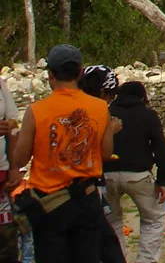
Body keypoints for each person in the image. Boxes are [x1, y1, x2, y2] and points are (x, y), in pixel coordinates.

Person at [5, 44, 117, 263]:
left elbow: (20, 159)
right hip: (87, 200)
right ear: (80, 72)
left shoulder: (37, 110)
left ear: (50, 75)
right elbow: (106, 154)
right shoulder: (99, 107)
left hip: (50, 204)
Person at [105, 81, 165, 263]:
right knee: (154, 218)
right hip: (138, 175)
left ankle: (116, 259)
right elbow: (161, 149)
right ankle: (146, 260)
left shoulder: (106, 112)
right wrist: (163, 181)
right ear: (143, 97)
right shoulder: (148, 115)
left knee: (112, 221)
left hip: (107, 174)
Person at [0, 75, 19, 263]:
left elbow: (13, 125)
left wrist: (15, 168)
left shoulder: (0, 84)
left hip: (2, 174)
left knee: (7, 244)